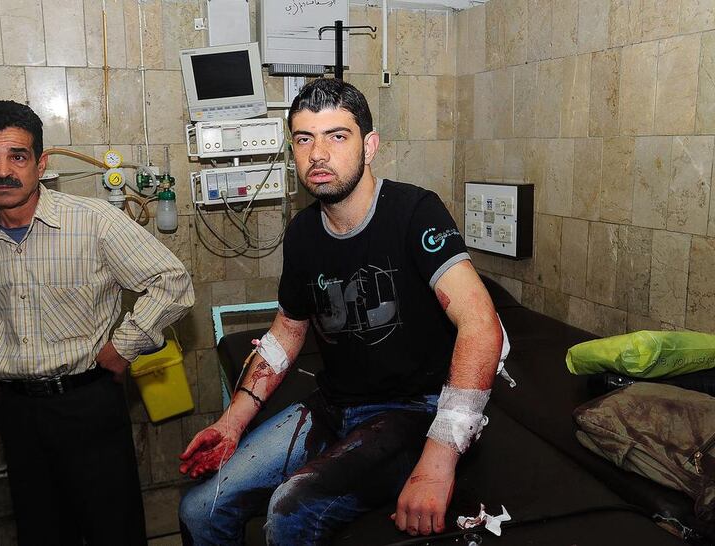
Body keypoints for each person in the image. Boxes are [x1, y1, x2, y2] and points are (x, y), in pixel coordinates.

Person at [177, 78, 508, 545]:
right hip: (335, 406)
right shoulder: (303, 235)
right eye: (304, 138)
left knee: (288, 510)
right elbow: (287, 333)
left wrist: (438, 458)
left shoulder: (415, 212)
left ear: (369, 146)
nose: (317, 154)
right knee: (199, 509)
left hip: (413, 412)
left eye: (337, 136)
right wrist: (230, 423)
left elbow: (480, 324)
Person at [0, 100, 194, 546]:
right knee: (42, 530)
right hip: (15, 410)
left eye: (18, 156)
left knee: (113, 529)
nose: (3, 170)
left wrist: (123, 345)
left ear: (41, 162)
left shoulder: (92, 221)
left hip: (89, 404)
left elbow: (172, 282)